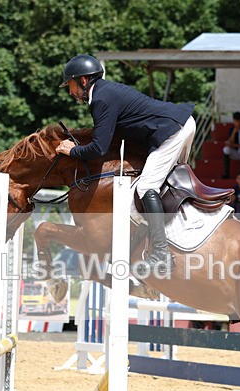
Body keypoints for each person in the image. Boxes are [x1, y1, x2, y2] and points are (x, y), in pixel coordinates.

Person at [56, 54, 195, 275]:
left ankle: (162, 254)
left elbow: (98, 149)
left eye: (71, 85)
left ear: (83, 81)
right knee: (160, 186)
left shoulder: (100, 99)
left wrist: (70, 150)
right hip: (179, 124)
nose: (70, 92)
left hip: (172, 130)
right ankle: (160, 241)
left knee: (145, 187)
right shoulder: (105, 92)